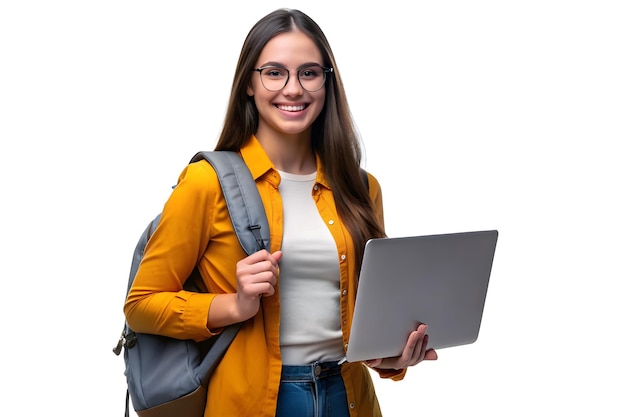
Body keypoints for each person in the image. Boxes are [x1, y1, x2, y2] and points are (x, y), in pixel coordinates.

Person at [124, 8, 437, 417]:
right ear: (249, 85)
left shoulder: (361, 188)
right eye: (274, 72)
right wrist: (233, 305)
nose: (293, 89)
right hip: (254, 401)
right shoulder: (206, 182)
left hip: (349, 396)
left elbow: (369, 312)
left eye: (309, 73)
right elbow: (141, 305)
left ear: (327, 82)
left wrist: (393, 358)